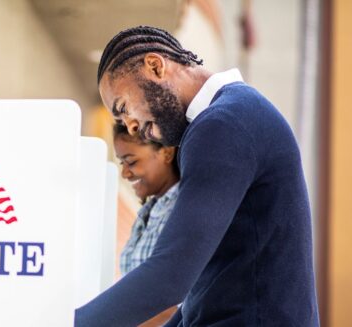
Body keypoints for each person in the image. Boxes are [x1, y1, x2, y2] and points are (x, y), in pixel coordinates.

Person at [75, 26, 319, 326]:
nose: (131, 127)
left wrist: (67, 323)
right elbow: (202, 290)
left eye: (124, 108)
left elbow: (171, 273)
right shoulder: (234, 115)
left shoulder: (224, 124)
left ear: (155, 66)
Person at [113, 123, 180, 326]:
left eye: (131, 162)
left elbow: (174, 305)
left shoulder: (182, 210)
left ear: (166, 153)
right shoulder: (150, 211)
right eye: (121, 163)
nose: (125, 173)